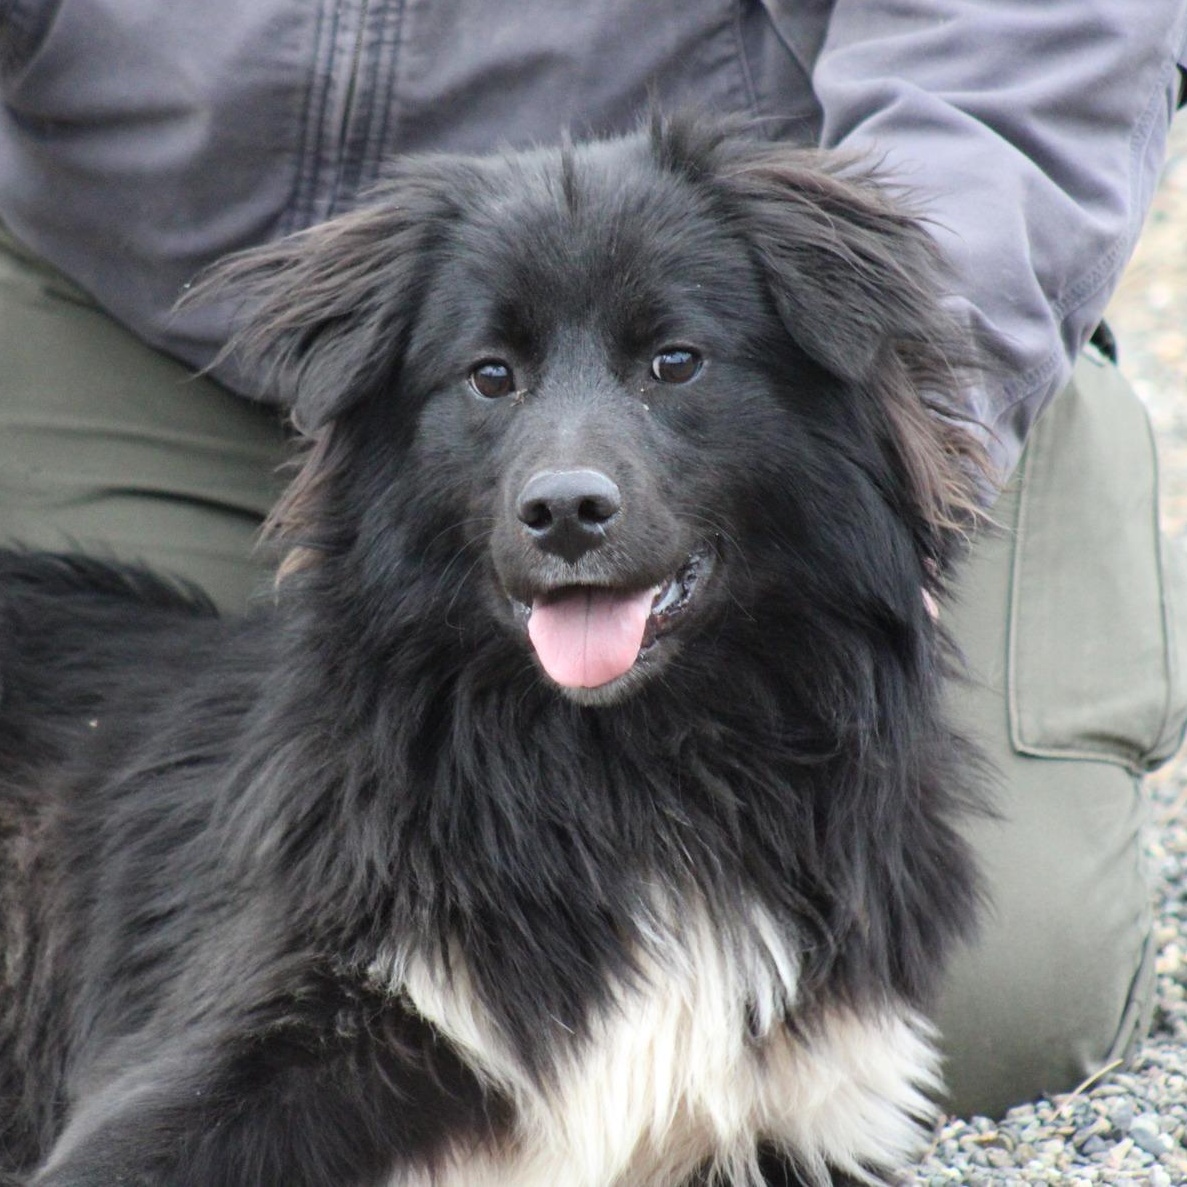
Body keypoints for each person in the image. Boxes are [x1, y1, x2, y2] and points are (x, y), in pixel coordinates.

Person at [1, 0, 1186, 1120]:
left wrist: (906, 402)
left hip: (786, 305)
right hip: (135, 294)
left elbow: (1030, 42)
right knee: (159, 852)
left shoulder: (829, 329)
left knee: (991, 987)